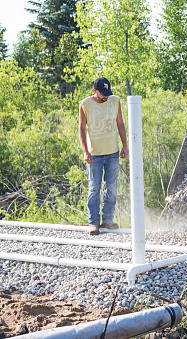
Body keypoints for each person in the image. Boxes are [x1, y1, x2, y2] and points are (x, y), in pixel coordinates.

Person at [78, 77, 128, 235]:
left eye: (107, 92)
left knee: (111, 187)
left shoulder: (114, 101)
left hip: (112, 151)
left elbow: (120, 123)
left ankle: (108, 219)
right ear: (95, 91)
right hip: (95, 154)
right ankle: (93, 223)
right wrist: (85, 151)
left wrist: (125, 145)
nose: (105, 96)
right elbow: (81, 128)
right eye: (102, 93)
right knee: (94, 188)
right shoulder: (85, 104)